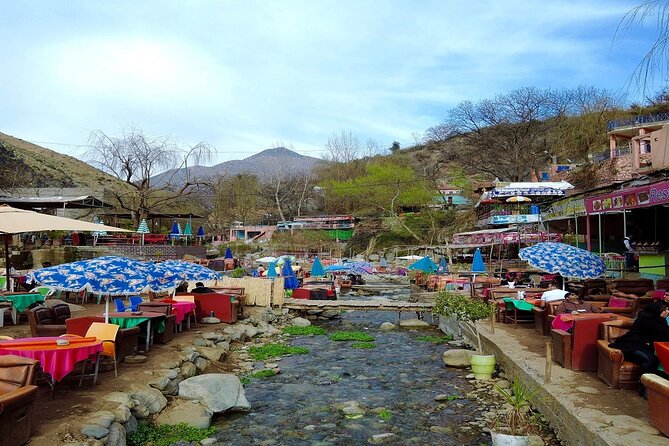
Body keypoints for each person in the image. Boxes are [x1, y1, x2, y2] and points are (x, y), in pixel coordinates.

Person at [610, 301, 669, 397]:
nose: (667, 312)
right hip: (630, 346)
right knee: (651, 360)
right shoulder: (647, 319)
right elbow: (665, 333)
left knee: (655, 358)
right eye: (665, 310)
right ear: (658, 310)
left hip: (642, 346)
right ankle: (643, 388)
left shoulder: (657, 319)